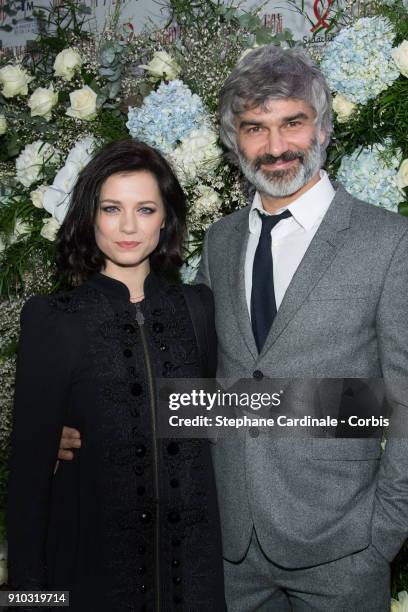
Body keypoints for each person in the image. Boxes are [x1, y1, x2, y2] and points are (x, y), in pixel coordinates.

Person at [59, 47, 408, 610]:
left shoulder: (389, 241)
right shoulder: (221, 242)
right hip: (227, 543)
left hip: (343, 547)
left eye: (291, 123)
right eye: (254, 128)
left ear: (321, 126)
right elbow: (196, 380)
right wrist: (86, 427)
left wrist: (382, 536)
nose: (274, 148)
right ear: (233, 140)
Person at [7, 139, 225, 611]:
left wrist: (362, 412)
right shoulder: (52, 318)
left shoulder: (198, 308)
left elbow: (221, 415)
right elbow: (28, 482)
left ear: (165, 218)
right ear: (90, 217)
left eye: (145, 209)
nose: (128, 226)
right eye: (111, 208)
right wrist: (29, 601)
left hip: (195, 573)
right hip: (93, 577)